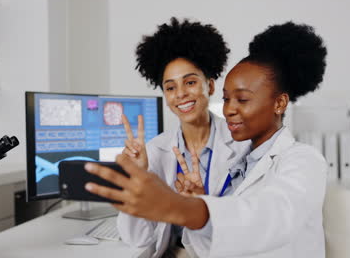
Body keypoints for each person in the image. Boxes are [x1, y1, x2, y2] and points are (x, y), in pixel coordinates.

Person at [85, 21, 328, 258]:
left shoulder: (304, 159)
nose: (229, 110)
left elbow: (268, 216)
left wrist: (183, 207)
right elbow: (203, 244)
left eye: (242, 99)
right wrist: (195, 199)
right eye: (227, 99)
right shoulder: (246, 159)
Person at [115, 17, 249, 257]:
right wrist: (137, 176)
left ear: (209, 86)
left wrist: (201, 204)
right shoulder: (155, 151)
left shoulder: (242, 145)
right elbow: (137, 238)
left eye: (190, 82)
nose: (181, 95)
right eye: (170, 87)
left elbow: (247, 229)